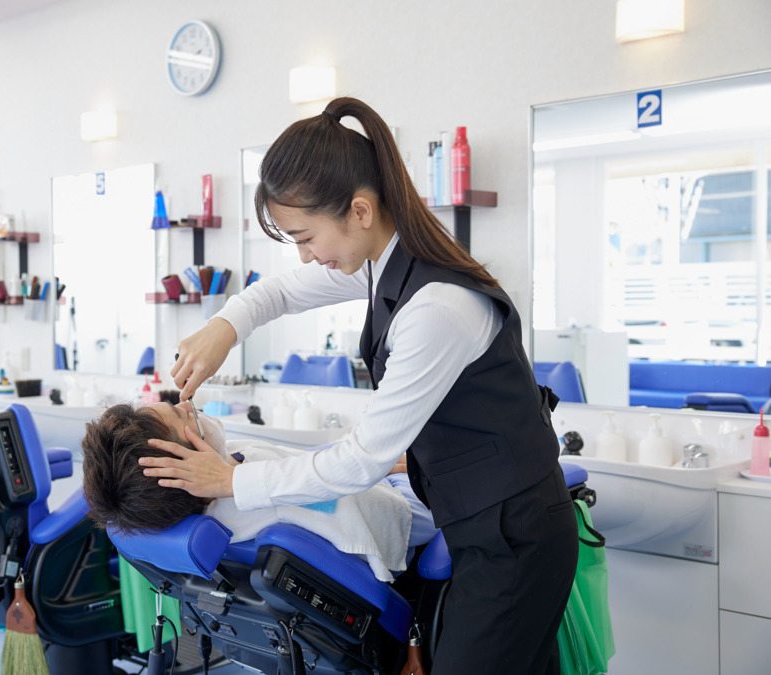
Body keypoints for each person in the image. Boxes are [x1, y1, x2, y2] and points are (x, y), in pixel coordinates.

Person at [139, 97, 579, 674]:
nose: (305, 256)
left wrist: (231, 479)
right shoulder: (385, 265)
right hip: (481, 518)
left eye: (304, 236)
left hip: (513, 538)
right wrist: (227, 324)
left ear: (361, 211)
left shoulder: (437, 306)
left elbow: (360, 460)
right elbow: (283, 292)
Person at [82, 400, 437, 582]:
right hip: (410, 514)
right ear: (187, 465)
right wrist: (398, 471)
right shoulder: (272, 501)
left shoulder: (219, 492)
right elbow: (394, 515)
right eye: (181, 414)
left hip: (370, 487)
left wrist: (371, 464)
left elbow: (299, 468)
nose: (189, 404)